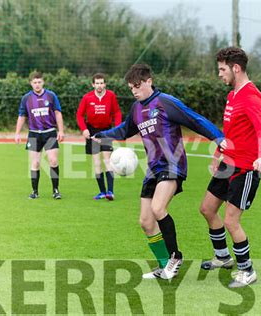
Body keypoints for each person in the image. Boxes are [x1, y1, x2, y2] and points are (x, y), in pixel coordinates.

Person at [93, 64, 224, 279]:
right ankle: (165, 266)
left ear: (149, 81)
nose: (134, 91)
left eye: (137, 86)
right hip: (153, 169)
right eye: (130, 88)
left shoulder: (165, 102)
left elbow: (195, 119)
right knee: (145, 221)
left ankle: (175, 257)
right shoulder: (136, 109)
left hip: (172, 165)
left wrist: (218, 137)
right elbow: (125, 130)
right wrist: (103, 134)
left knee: (157, 207)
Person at [199, 47, 261, 288]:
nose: (219, 74)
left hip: (245, 169)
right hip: (227, 165)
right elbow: (229, 132)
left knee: (231, 221)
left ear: (235, 68)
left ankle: (247, 271)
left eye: (222, 69)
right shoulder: (232, 96)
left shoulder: (251, 96)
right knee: (207, 209)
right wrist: (218, 154)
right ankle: (222, 257)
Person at [15, 72, 65, 199]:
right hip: (34, 134)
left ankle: (55, 190)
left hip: (49, 132)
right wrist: (17, 133)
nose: (37, 85)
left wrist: (61, 130)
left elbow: (58, 113)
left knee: (53, 161)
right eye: (34, 82)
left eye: (39, 82)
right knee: (35, 163)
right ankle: (35, 192)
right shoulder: (26, 98)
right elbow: (22, 116)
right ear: (31, 83)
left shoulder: (51, 95)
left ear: (43, 82)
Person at [77, 73, 122, 200]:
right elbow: (80, 115)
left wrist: (117, 128)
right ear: (93, 84)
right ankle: (102, 192)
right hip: (92, 132)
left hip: (106, 131)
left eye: (101, 83)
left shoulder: (111, 96)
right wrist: (84, 129)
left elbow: (117, 112)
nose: (99, 85)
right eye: (97, 83)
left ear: (105, 84)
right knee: (97, 162)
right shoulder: (87, 97)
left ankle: (110, 192)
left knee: (107, 160)